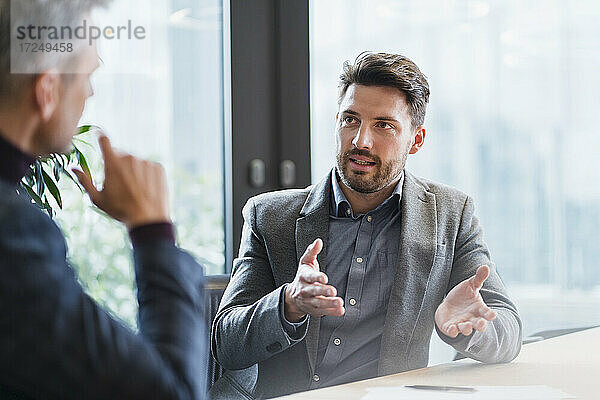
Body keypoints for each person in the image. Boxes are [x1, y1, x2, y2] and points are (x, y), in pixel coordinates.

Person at [211, 52, 522, 399]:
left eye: (383, 125)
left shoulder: (451, 214)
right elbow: (226, 344)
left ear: (416, 140)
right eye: (350, 120)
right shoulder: (270, 217)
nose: (361, 141)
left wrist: (468, 330)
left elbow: (508, 333)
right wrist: (288, 304)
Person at [0, 1, 207, 398]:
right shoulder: (11, 235)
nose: (90, 92)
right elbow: (172, 393)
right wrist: (153, 231)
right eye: (87, 74)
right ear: (46, 91)